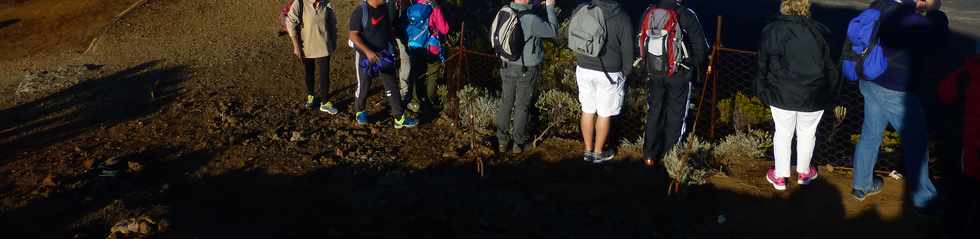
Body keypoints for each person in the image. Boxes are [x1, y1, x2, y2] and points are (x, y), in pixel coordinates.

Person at [849, 0, 945, 216]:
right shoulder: (912, 20)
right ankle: (924, 200)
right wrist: (937, 16)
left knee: (870, 134)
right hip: (894, 89)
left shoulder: (880, 5)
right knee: (916, 142)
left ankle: (861, 185)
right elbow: (937, 42)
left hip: (870, 80)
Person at [755, 0, 839, 191]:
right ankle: (803, 173)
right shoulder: (821, 32)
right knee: (807, 134)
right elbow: (831, 68)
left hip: (781, 92)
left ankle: (780, 177)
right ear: (806, 7)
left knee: (783, 134)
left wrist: (762, 88)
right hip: (813, 95)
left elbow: (762, 63)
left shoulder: (772, 29)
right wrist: (831, 93)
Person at [640, 0, 708, 166]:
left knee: (655, 111)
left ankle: (649, 154)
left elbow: (641, 40)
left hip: (655, 72)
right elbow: (701, 48)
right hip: (679, 74)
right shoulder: (686, 14)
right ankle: (669, 157)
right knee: (676, 115)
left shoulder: (650, 11)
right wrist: (692, 66)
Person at [571, 0, 634, 163]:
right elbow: (628, 51)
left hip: (584, 67)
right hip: (609, 73)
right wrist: (626, 72)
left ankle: (587, 150)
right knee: (604, 113)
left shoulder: (582, 8)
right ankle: (598, 153)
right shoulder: (622, 18)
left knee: (587, 109)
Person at [494, 0, 558, 154]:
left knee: (506, 103)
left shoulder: (506, 10)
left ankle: (502, 141)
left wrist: (536, 5)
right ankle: (518, 143)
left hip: (506, 64)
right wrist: (550, 8)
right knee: (522, 106)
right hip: (526, 68)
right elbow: (553, 30)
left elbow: (524, 9)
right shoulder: (532, 20)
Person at [350, 0, 419, 128]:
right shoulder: (360, 12)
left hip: (384, 54)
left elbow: (387, 30)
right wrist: (368, 52)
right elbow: (353, 35)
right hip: (365, 56)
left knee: (391, 84)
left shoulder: (385, 9)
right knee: (364, 84)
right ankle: (360, 111)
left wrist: (392, 48)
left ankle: (399, 117)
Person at [285, 0, 338, 113]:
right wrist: (296, 45)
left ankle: (325, 102)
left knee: (325, 74)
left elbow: (332, 23)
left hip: (324, 45)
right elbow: (290, 23)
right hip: (306, 46)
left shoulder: (326, 3)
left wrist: (333, 41)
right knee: (309, 72)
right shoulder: (299, 3)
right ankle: (311, 96)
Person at [403, 0, 450, 117]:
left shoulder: (413, 7)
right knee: (433, 74)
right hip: (431, 48)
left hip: (415, 46)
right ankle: (429, 102)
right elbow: (444, 29)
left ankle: (415, 101)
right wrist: (437, 9)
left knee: (417, 73)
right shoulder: (433, 8)